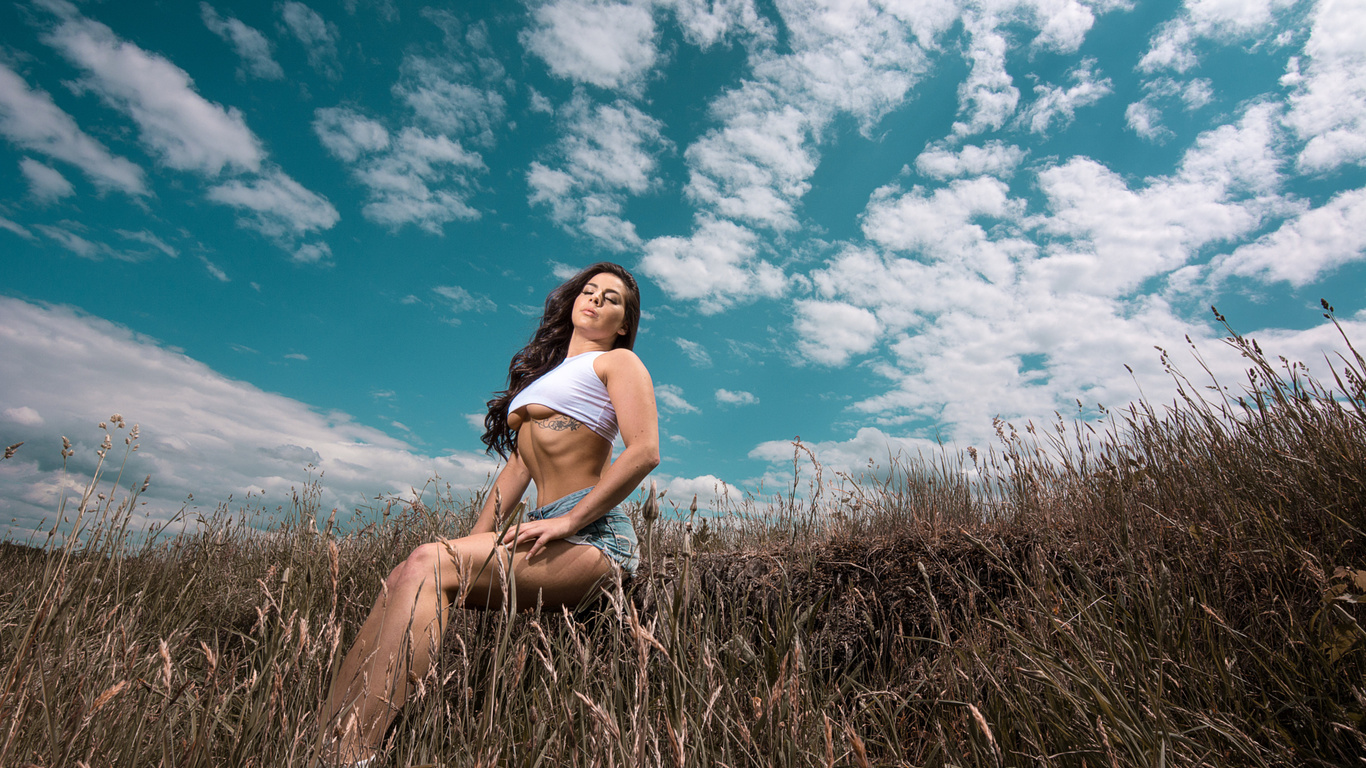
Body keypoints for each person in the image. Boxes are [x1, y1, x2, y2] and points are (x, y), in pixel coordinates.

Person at [317, 262, 660, 766]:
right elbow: (517, 471)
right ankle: (324, 744)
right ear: (571, 302)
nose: (595, 300)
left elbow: (644, 451)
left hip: (592, 533)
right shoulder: (546, 379)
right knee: (408, 572)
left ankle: (355, 756)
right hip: (544, 523)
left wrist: (569, 521)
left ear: (624, 324)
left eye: (611, 299)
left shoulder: (618, 365)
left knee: (427, 564)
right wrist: (466, 544)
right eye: (588, 291)